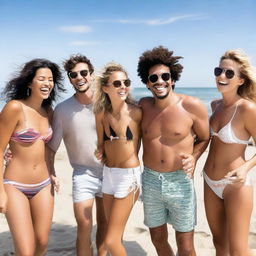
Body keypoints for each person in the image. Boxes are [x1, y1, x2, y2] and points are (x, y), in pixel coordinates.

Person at [137, 46, 209, 256]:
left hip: (180, 181)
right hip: (150, 180)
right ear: (147, 83)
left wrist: (194, 157)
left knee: (186, 246)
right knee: (158, 240)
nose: (160, 81)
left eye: (165, 76)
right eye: (154, 78)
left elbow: (205, 137)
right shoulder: (142, 106)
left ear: (173, 79)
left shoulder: (193, 106)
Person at [0, 58, 64, 255]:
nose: (47, 83)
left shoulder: (48, 111)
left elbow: (45, 148)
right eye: (42, 79)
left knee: (42, 242)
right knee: (26, 251)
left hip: (44, 185)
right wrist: (0, 191)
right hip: (15, 186)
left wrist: (52, 172)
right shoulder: (14, 108)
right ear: (30, 82)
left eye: (50, 79)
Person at [46, 54, 107, 256]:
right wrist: (52, 172)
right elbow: (51, 147)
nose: (79, 77)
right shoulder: (63, 110)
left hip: (110, 172)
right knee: (84, 223)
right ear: (70, 78)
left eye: (83, 73)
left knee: (105, 224)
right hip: (83, 173)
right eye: (74, 74)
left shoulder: (106, 103)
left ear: (91, 75)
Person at [203, 49, 256, 255]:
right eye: (219, 71)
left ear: (241, 80)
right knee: (219, 245)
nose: (221, 76)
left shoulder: (247, 109)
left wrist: (245, 167)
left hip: (236, 184)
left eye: (229, 73)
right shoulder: (214, 105)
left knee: (238, 250)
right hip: (208, 180)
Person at [94, 62, 142, 256]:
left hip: (129, 178)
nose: (123, 86)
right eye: (117, 83)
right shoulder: (100, 114)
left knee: (111, 240)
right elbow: (100, 144)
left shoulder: (136, 112)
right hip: (109, 176)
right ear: (106, 88)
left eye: (126, 82)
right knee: (114, 234)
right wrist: (100, 152)